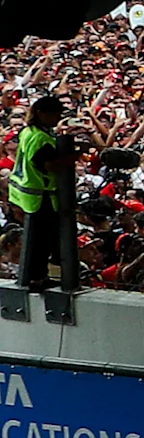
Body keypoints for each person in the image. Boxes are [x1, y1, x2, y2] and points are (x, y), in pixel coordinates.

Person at [8, 96, 75, 293]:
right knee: (40, 241)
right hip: (38, 197)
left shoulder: (29, 131)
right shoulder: (40, 138)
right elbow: (49, 165)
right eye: (54, 113)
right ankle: (37, 278)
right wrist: (72, 157)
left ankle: (37, 275)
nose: (58, 117)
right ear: (41, 113)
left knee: (38, 239)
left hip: (25, 193)